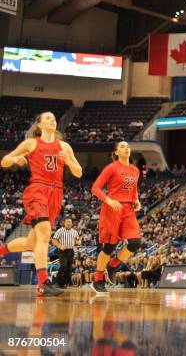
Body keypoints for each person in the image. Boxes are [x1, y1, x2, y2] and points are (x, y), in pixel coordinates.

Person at [0, 112, 82, 296]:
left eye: (54, 118)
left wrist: (68, 161)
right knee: (45, 233)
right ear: (39, 124)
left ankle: (1, 250)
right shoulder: (31, 143)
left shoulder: (64, 146)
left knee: (33, 242)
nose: (52, 120)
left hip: (56, 193)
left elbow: (78, 173)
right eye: (47, 118)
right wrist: (14, 159)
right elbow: (4, 161)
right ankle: (43, 282)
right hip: (37, 190)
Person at [90, 141, 142, 294]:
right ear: (116, 152)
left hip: (128, 209)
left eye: (128, 146)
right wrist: (109, 200)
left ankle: (113, 265)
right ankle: (98, 279)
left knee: (135, 242)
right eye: (122, 147)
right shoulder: (111, 167)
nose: (126, 148)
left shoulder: (135, 170)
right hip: (112, 208)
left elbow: (133, 190)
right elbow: (95, 188)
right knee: (109, 247)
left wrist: (136, 200)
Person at [51, 218, 81, 288]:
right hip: (62, 251)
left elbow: (78, 240)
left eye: (70, 222)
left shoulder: (74, 231)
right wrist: (60, 245)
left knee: (69, 268)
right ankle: (57, 282)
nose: (68, 223)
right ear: (64, 223)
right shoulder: (60, 230)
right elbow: (54, 240)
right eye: (67, 222)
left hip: (71, 251)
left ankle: (62, 283)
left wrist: (78, 242)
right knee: (63, 266)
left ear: (72, 223)